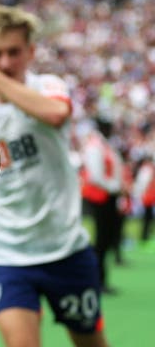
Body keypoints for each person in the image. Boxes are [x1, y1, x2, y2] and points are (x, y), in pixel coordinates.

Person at [0, 5, 110, 347]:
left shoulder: (49, 86)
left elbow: (54, 114)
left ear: (31, 52)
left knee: (91, 343)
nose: (5, 61)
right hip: (7, 252)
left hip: (65, 247)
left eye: (14, 52)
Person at [80, 116, 124, 293]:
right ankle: (97, 280)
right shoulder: (95, 146)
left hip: (107, 197)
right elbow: (95, 176)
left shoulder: (103, 145)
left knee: (105, 240)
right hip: (102, 198)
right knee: (101, 240)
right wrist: (114, 186)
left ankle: (100, 280)